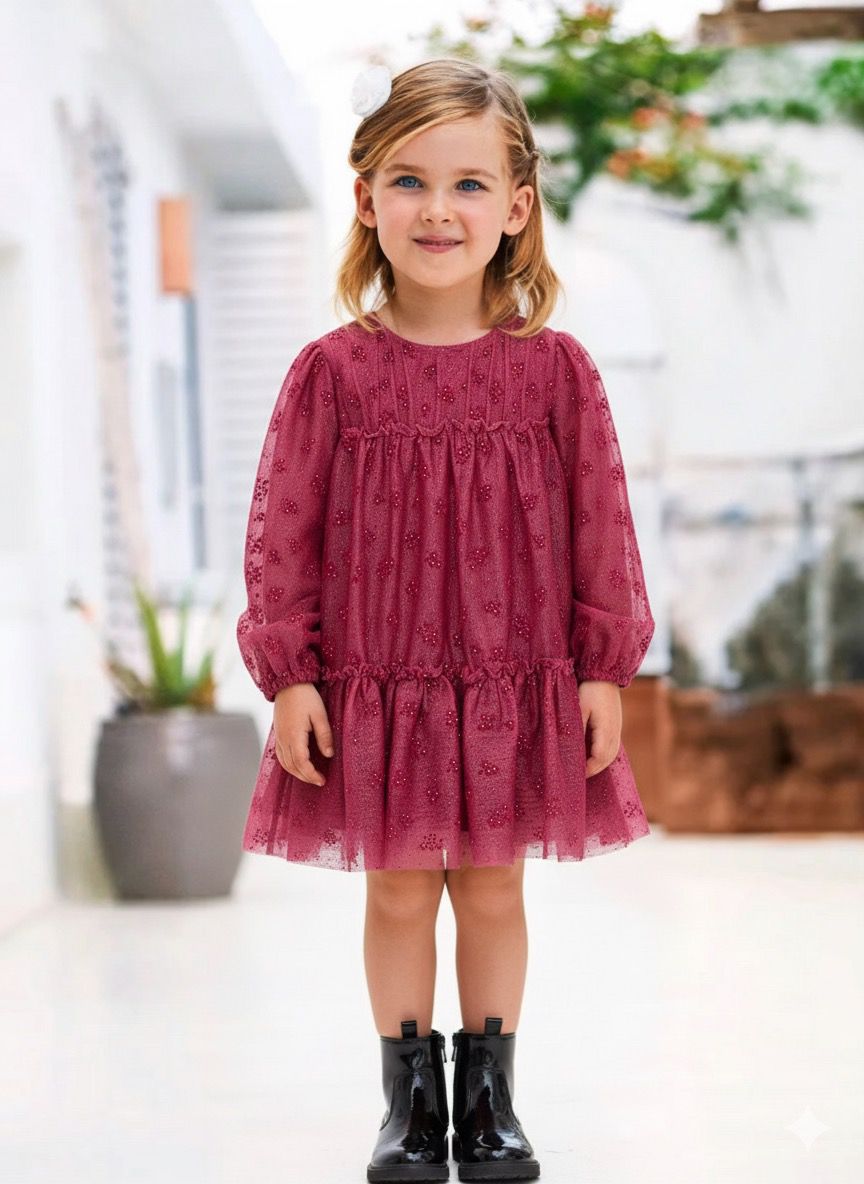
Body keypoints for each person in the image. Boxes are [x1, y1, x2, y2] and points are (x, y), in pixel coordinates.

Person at [236, 57, 656, 1184]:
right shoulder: (331, 373)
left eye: (469, 184)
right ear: (367, 197)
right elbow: (283, 528)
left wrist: (602, 666)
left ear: (516, 206)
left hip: (515, 671)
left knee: (494, 881)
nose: (438, 209)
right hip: (378, 676)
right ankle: (411, 1108)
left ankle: (492, 1100)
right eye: (409, 181)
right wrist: (290, 673)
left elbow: (601, 520)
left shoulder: (555, 372)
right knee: (398, 884)